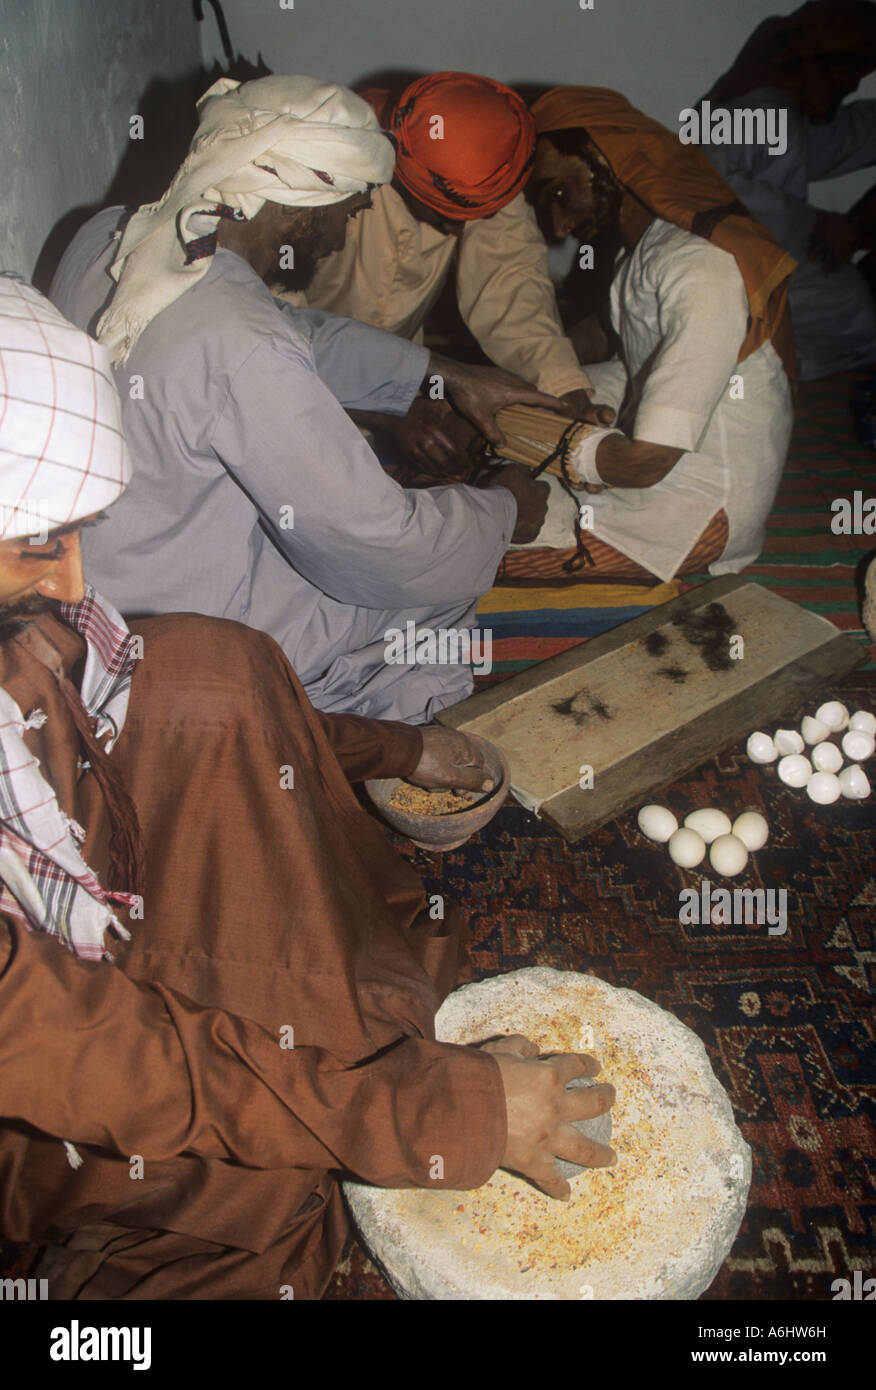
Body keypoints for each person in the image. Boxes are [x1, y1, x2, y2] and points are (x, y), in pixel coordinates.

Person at [0, 274, 615, 1301]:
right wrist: (446, 1116)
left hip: (86, 925)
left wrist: (391, 749)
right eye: (35, 542)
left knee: (209, 665)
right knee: (259, 1201)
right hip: (41, 1072)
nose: (72, 581)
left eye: (76, 534)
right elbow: (75, 1045)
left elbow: (135, 698)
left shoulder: (28, 631)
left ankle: (328, 1031)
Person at [51, 75, 555, 724]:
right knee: (435, 586)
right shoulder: (242, 341)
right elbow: (379, 549)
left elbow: (282, 338)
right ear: (296, 211)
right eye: (348, 212)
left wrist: (441, 373)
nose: (346, 235)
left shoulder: (112, 234)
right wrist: (503, 508)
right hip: (180, 633)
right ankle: (377, 743)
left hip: (88, 587)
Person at [505, 86, 796, 586]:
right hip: (653, 465)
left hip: (699, 503)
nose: (557, 225)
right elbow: (633, 363)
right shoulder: (645, 252)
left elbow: (644, 465)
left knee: (466, 549)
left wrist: (539, 438)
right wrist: (535, 394)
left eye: (558, 193)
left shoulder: (701, 264)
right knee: (481, 476)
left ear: (602, 156)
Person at [294, 70, 608, 473]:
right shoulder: (324, 176)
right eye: (449, 217)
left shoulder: (486, 168)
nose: (461, 230)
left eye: (473, 218)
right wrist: (386, 412)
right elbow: (278, 341)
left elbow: (512, 289)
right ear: (400, 177)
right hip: (287, 387)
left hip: (395, 389)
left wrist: (568, 395)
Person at [700, 0, 876, 380]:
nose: (853, 85)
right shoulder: (764, 109)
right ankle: (753, 371)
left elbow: (838, 140)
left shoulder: (780, 110)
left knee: (852, 305)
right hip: (724, 269)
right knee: (853, 307)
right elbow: (711, 187)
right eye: (850, 71)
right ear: (817, 64)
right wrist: (818, 223)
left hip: (755, 267)